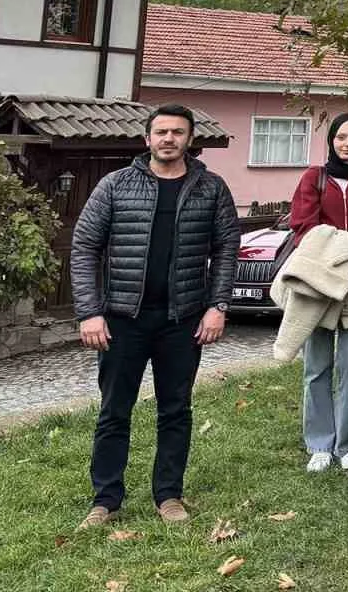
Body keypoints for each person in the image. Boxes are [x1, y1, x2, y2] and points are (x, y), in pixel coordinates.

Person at [71, 105, 239, 529]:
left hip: (182, 320)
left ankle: (169, 496)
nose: (168, 138)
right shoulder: (115, 186)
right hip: (123, 318)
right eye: (161, 131)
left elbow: (226, 250)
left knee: (176, 409)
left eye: (177, 132)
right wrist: (90, 311)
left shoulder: (212, 189)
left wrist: (217, 306)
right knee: (114, 410)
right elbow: (85, 247)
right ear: (147, 139)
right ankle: (105, 499)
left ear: (189, 139)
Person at [290, 113, 348, 472]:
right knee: (317, 366)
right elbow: (304, 228)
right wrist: (329, 270)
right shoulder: (313, 178)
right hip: (318, 285)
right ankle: (319, 443)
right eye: (342, 137)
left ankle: (346, 444)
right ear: (331, 140)